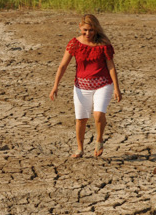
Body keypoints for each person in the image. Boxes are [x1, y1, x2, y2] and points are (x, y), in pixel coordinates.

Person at [50, 14, 121, 159]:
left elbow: (111, 67)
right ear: (80, 27)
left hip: (103, 84)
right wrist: (55, 86)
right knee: (81, 119)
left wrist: (116, 88)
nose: (88, 33)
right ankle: (80, 149)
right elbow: (63, 66)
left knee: (98, 114)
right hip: (81, 86)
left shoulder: (103, 44)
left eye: (91, 30)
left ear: (96, 29)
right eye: (85, 30)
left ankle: (99, 140)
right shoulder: (74, 44)